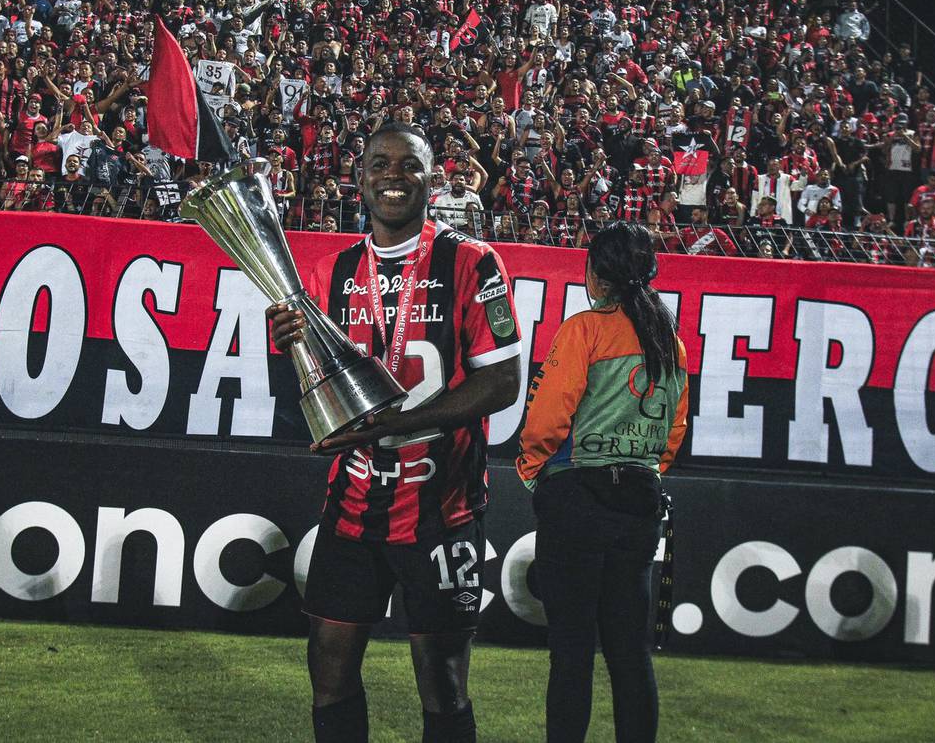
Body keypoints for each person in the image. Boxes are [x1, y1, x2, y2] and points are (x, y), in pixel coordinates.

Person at [267, 122, 523, 743]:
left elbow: (502, 385)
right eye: (379, 164)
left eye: (410, 166)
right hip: (352, 507)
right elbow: (299, 402)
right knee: (327, 670)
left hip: (443, 509)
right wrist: (287, 353)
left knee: (443, 683)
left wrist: (398, 423)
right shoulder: (331, 272)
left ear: (433, 181)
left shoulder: (471, 261)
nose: (393, 176)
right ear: (358, 179)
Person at [516, 222, 688, 743]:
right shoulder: (670, 341)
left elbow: (547, 419)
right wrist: (647, 472)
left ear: (597, 273)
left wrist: (533, 473)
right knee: (630, 656)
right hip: (638, 503)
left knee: (572, 653)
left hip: (577, 499)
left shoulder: (584, 329)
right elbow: (674, 429)